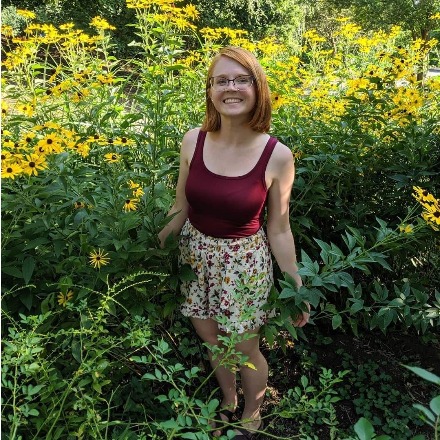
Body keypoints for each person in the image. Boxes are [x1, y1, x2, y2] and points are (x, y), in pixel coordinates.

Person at [158, 46, 310, 439]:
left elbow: (279, 228)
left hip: (242, 265)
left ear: (258, 89)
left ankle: (252, 412)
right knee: (211, 338)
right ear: (210, 90)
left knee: (244, 347)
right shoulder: (193, 141)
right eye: (221, 80)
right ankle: (228, 401)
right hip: (194, 257)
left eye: (242, 80)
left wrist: (295, 284)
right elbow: (180, 205)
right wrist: (151, 249)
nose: (231, 88)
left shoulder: (277, 156)